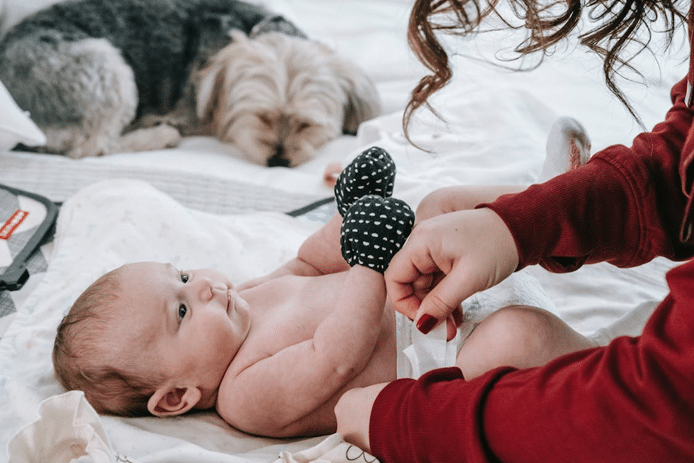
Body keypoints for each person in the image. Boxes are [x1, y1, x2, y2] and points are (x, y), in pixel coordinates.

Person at [334, 0, 694, 461]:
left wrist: (408, 424)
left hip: (450, 348)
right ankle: (538, 189)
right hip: (446, 318)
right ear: (204, 393)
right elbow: (680, 164)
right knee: (445, 213)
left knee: (513, 338)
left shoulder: (248, 385)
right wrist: (517, 224)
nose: (210, 287)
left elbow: (665, 403)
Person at [52, 146, 592, 439]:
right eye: (183, 309)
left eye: (183, 274)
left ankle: (559, 204)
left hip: (432, 282)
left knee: (438, 206)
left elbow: (310, 262)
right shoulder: (245, 397)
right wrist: (369, 260)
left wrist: (352, 212)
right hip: (446, 347)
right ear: (176, 397)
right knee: (516, 336)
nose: (207, 286)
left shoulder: (246, 297)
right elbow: (334, 356)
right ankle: (619, 372)